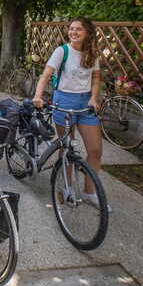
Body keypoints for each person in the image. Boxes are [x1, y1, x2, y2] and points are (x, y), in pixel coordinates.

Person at [32, 17, 107, 210]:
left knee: (95, 150)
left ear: (87, 33)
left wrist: (93, 97)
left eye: (78, 29)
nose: (73, 32)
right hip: (63, 100)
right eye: (71, 29)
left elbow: (96, 78)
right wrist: (38, 96)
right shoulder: (62, 51)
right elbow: (46, 75)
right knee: (67, 147)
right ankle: (66, 188)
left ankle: (90, 192)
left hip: (85, 104)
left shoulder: (92, 53)